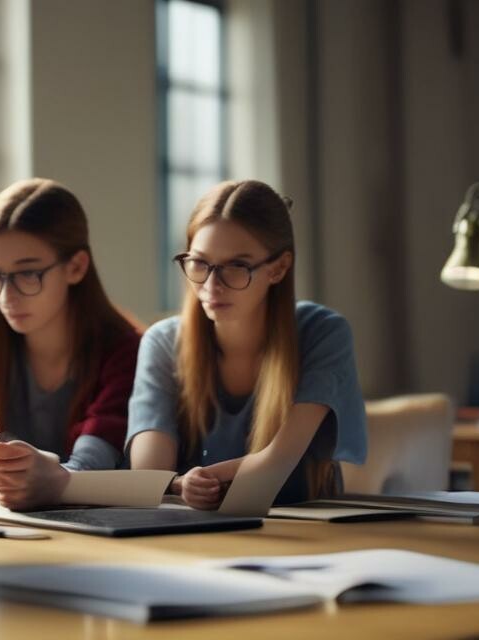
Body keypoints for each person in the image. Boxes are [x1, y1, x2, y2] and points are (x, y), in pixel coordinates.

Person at [127, 179, 366, 508]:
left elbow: (276, 463)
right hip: (191, 537)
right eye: (199, 263)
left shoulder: (322, 333)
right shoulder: (163, 342)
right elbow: (148, 476)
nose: (212, 285)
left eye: (236, 267)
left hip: (303, 532)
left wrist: (190, 483)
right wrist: (182, 485)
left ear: (279, 268)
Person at [0, 178, 140, 510]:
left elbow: (90, 469)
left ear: (76, 267)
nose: (7, 296)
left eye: (27, 274)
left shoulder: (126, 352)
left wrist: (46, 480)